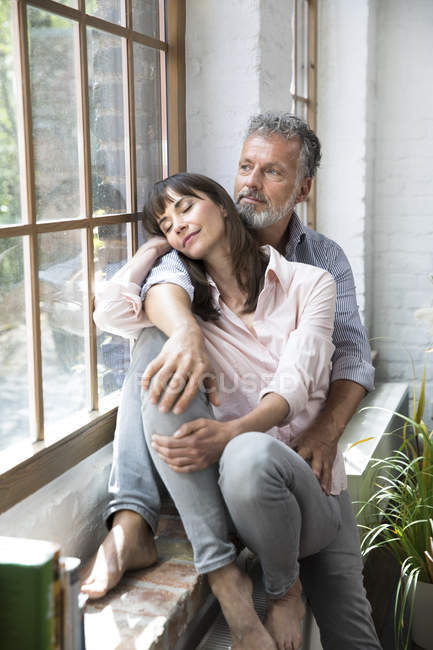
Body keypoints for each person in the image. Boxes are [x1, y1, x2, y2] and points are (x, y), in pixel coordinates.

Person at [83, 113, 381, 649]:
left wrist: (325, 432)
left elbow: (352, 358)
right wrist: (184, 324)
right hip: (231, 473)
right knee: (157, 345)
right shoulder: (190, 248)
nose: (252, 182)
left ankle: (270, 581)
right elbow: (144, 300)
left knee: (349, 622)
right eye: (246, 166)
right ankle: (133, 518)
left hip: (303, 459)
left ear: (303, 187)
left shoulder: (319, 265)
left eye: (272, 172)